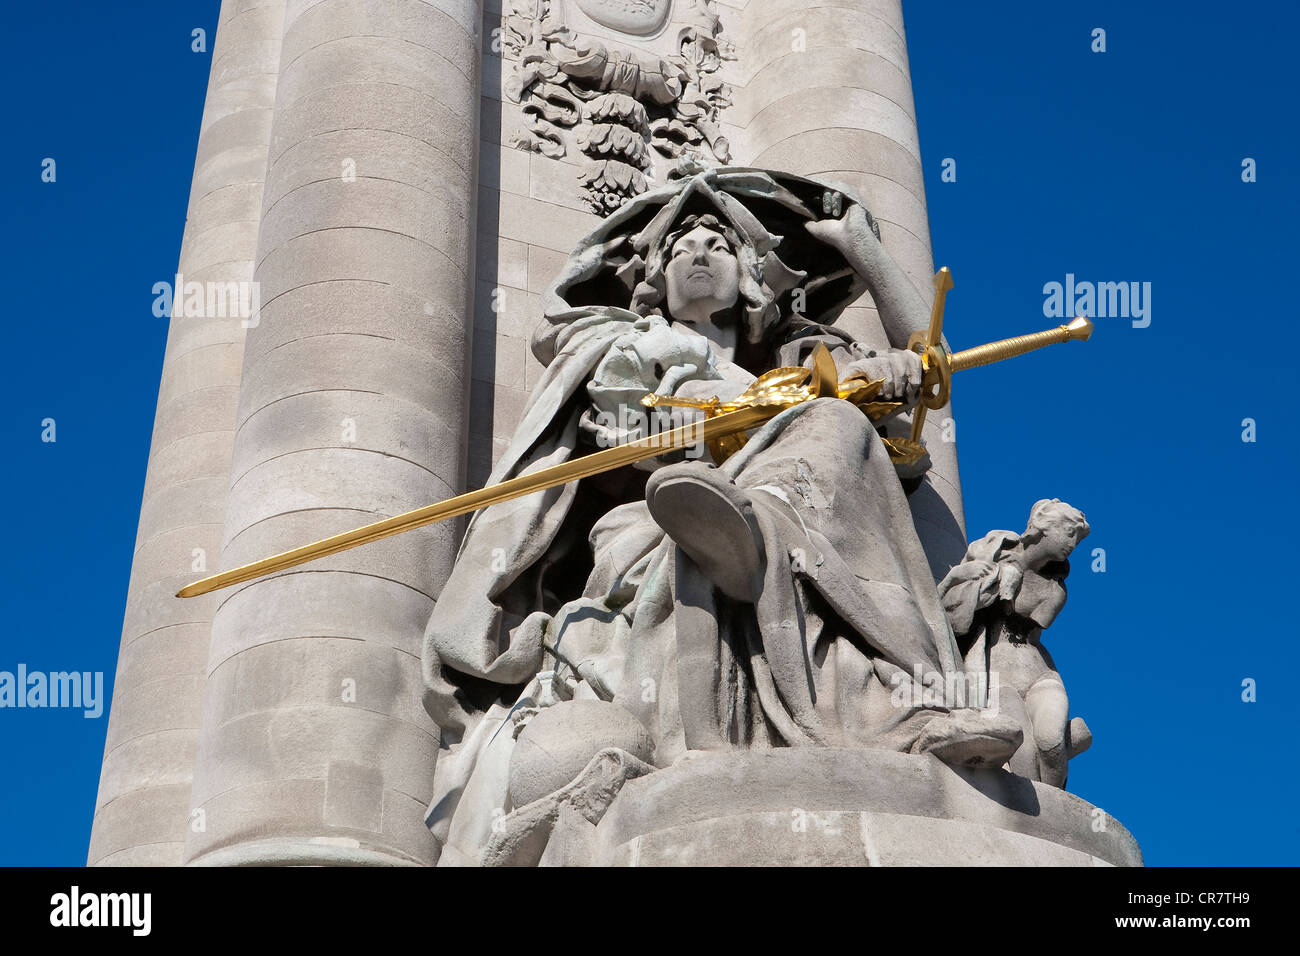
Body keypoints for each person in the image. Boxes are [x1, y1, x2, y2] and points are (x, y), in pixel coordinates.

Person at [422, 166, 1020, 864]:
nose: (700, 252)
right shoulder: (627, 350)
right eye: (680, 248)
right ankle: (755, 544)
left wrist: (868, 258)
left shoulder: (809, 362)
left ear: (751, 279)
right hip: (659, 517)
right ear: (656, 281)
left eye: (719, 244)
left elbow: (931, 376)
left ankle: (905, 692)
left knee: (838, 426)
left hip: (795, 515)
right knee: (821, 425)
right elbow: (622, 439)